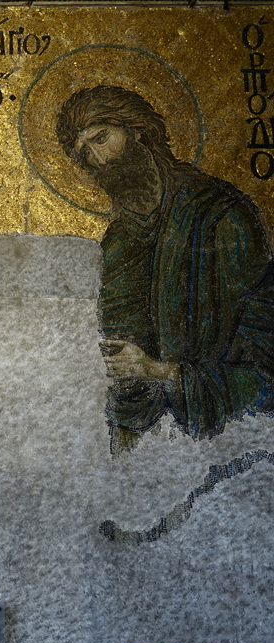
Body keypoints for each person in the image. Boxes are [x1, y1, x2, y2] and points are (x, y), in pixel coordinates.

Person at [56, 85, 274, 448]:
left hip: (234, 436)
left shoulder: (221, 215)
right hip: (157, 442)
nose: (99, 160)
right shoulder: (118, 243)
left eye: (101, 138)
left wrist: (159, 371)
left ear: (138, 130)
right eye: (85, 154)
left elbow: (265, 366)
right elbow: (122, 356)